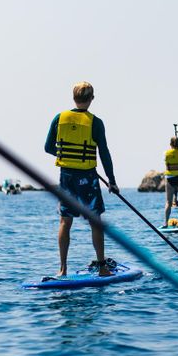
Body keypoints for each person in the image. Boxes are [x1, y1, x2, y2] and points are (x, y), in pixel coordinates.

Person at [44, 82, 119, 276]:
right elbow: (104, 153)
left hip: (66, 177)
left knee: (65, 221)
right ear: (91, 98)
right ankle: (102, 267)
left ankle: (62, 269)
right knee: (95, 222)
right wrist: (111, 180)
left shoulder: (59, 118)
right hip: (88, 177)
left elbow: (48, 147)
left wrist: (68, 157)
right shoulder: (95, 122)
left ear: (74, 97)